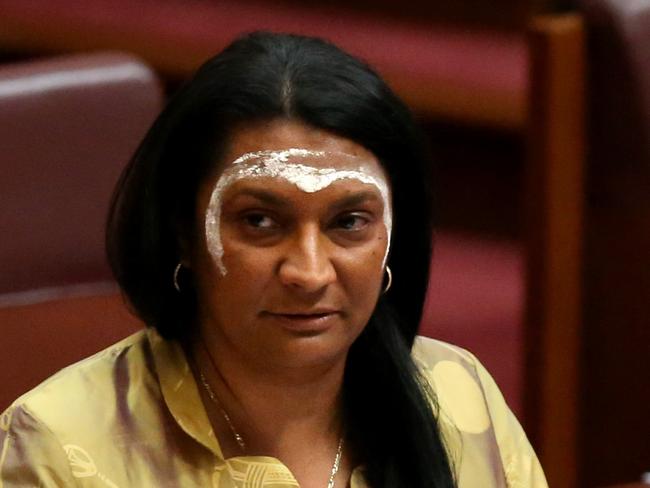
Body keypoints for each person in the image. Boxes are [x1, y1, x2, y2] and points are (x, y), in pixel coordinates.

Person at [0, 32, 547, 487]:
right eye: (260, 222)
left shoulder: (457, 393)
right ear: (183, 235)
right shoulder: (56, 448)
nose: (308, 273)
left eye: (348, 223)